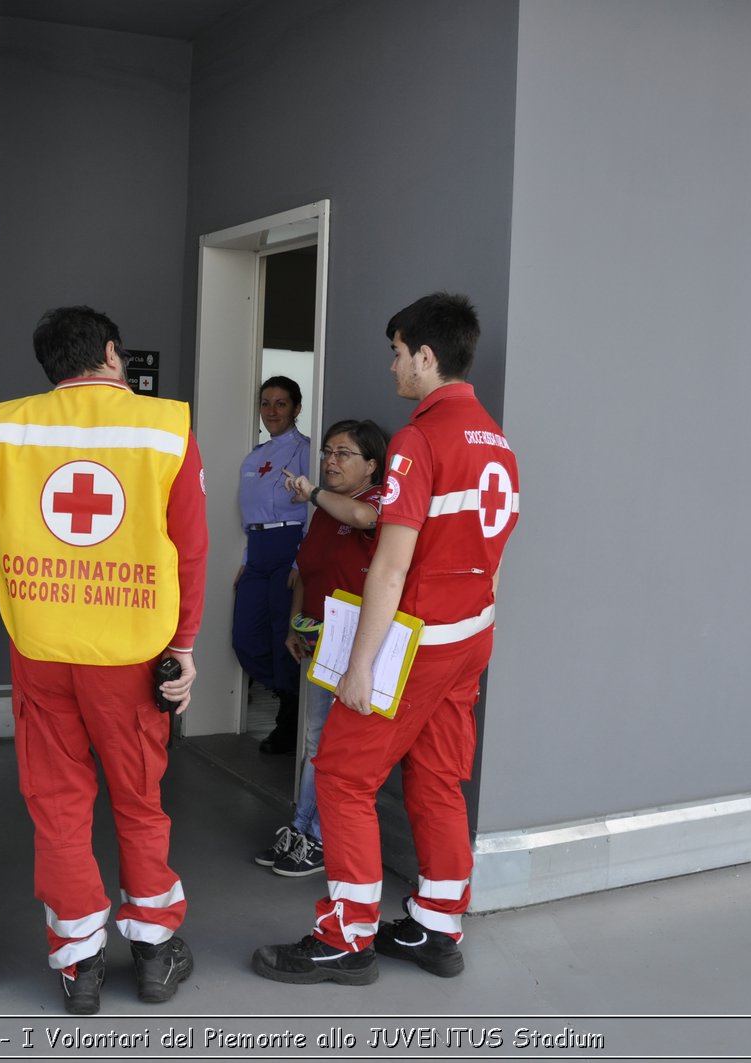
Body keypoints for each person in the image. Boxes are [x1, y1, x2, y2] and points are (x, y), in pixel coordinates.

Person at [0, 306, 207, 1016]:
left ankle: (79, 964)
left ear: (53, 366)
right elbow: (189, 549)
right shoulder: (165, 427)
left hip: (41, 649)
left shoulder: (7, 425)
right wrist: (185, 647)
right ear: (111, 352)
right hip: (131, 654)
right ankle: (156, 951)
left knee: (58, 805)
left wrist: (3, 517)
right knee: (138, 801)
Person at [252, 292, 519, 986]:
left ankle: (347, 935)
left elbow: (394, 562)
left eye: (398, 352)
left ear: (426, 357)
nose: (393, 365)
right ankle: (437, 922)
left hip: (420, 639)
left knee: (340, 772)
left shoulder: (421, 439)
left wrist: (360, 665)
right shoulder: (496, 441)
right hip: (471, 634)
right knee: (436, 776)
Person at [252, 418, 389, 879]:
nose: (330, 460)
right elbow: (304, 571)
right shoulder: (324, 512)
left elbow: (364, 519)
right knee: (315, 742)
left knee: (334, 748)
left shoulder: (375, 501)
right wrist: (295, 623)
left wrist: (311, 493)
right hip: (318, 642)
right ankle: (302, 829)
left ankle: (320, 838)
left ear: (371, 465)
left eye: (343, 453)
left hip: (356, 650)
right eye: (328, 451)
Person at [233, 376, 309, 754]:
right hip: (258, 550)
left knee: (285, 637)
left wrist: (300, 559)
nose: (272, 411)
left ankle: (290, 716)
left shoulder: (305, 451)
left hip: (288, 545)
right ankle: (284, 694)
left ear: (296, 408)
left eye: (281, 403)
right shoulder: (253, 456)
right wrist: (248, 559)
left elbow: (314, 507)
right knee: (245, 638)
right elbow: (250, 514)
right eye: (266, 403)